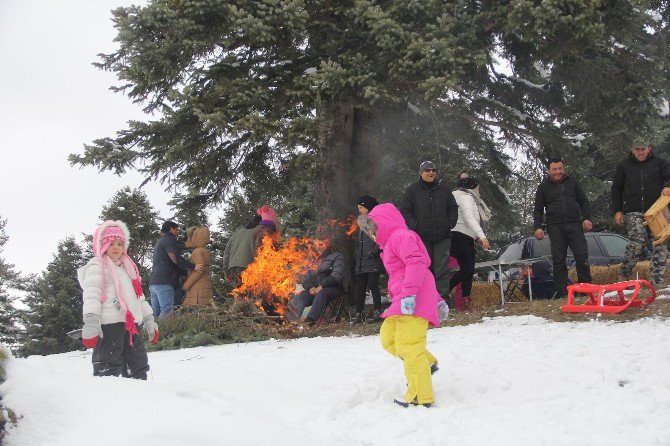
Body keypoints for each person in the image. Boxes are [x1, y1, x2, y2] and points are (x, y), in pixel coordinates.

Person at [358, 203, 447, 407]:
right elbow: (424, 276)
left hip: (411, 301)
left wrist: (411, 295)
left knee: (409, 347)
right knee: (388, 338)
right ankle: (426, 363)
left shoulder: (402, 237)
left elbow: (417, 266)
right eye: (369, 231)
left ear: (385, 223)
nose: (372, 234)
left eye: (373, 228)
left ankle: (419, 396)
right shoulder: (390, 243)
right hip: (404, 300)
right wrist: (437, 300)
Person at [77, 220, 159, 379]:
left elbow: (138, 297)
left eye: (120, 244)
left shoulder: (128, 268)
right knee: (108, 363)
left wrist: (149, 319)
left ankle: (141, 393)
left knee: (138, 363)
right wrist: (91, 320)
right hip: (109, 326)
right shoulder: (97, 267)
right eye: (111, 243)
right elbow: (92, 294)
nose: (116, 247)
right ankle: (108, 395)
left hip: (131, 325)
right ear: (102, 245)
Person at [612, 141, 670, 287]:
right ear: (632, 149)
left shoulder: (660, 162)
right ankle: (624, 273)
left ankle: (657, 280)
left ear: (649, 148)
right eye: (637, 149)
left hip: (656, 209)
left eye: (643, 149)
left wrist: (667, 186)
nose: (640, 153)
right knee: (638, 240)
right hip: (633, 210)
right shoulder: (623, 166)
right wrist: (617, 210)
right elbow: (616, 189)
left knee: (660, 241)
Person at [400, 160, 459, 304]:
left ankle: (442, 299)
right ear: (421, 173)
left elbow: (453, 208)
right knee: (424, 269)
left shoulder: (444, 190)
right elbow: (405, 211)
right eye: (427, 170)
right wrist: (415, 226)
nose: (431, 172)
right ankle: (426, 300)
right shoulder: (412, 191)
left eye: (433, 170)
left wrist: (449, 224)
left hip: (443, 236)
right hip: (421, 237)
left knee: (442, 269)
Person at [533, 158, 593, 298]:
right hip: (555, 227)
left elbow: (584, 201)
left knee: (581, 256)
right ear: (549, 171)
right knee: (559, 259)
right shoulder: (543, 187)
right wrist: (537, 227)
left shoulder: (573, 182)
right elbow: (538, 209)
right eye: (554, 169)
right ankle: (563, 293)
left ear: (563, 168)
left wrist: (587, 218)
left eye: (560, 168)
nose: (558, 172)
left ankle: (585, 290)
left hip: (574, 224)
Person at [449, 177, 491, 310]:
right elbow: (468, 218)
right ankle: (444, 290)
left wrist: (475, 237)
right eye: (478, 187)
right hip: (460, 237)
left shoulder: (456, 196)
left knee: (468, 269)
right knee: (467, 269)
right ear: (472, 188)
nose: (479, 190)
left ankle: (466, 299)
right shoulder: (466, 197)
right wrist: (482, 236)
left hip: (463, 237)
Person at [149, 221, 203, 317]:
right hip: (164, 282)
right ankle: (162, 331)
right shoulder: (169, 240)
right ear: (171, 229)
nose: (178, 232)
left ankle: (149, 331)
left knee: (155, 312)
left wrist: (185, 272)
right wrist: (193, 266)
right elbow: (175, 258)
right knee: (167, 311)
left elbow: (170, 263)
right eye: (177, 230)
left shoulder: (161, 241)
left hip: (154, 282)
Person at [286, 246, 345, 325]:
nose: (318, 247)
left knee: (322, 293)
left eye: (321, 244)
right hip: (315, 289)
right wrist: (311, 287)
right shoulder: (312, 259)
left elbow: (337, 277)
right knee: (300, 295)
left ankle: (310, 321)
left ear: (327, 244)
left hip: (334, 288)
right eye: (316, 244)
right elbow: (306, 278)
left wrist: (321, 287)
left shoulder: (337, 256)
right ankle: (292, 321)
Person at [350, 195, 385, 324]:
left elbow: (380, 239)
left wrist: (373, 252)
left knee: (373, 286)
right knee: (360, 288)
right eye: (358, 208)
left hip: (372, 260)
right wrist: (357, 254)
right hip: (361, 261)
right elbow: (360, 242)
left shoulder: (376, 220)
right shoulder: (361, 221)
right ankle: (359, 314)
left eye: (361, 207)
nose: (360, 210)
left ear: (367, 206)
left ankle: (377, 311)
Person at [222, 214, 261, 287]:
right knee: (249, 293)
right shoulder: (257, 232)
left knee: (239, 293)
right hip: (247, 267)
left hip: (233, 267)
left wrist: (226, 272)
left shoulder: (237, 233)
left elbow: (227, 252)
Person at [182, 227, 214, 306]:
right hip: (205, 284)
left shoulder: (197, 251)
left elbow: (199, 271)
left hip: (198, 288)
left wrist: (185, 286)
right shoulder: (204, 250)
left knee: (197, 310)